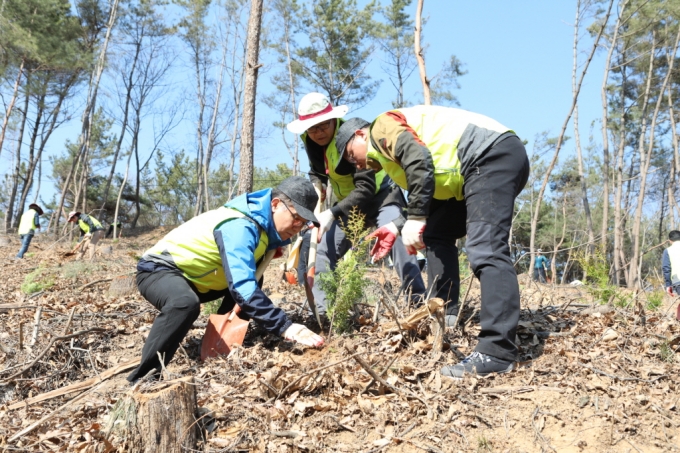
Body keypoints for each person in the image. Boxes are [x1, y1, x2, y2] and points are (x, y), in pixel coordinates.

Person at [335, 105, 530, 378]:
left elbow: (419, 159)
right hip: (472, 173)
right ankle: (444, 313)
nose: (353, 164)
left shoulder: (381, 127)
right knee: (437, 232)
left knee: (486, 248)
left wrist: (414, 218)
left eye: (349, 154)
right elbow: (428, 190)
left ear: (359, 135)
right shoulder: (389, 162)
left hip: (489, 155)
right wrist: (397, 225)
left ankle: (496, 352)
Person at [127, 177, 325, 383]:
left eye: (303, 223)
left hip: (200, 280)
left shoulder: (264, 227)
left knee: (256, 277)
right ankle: (144, 377)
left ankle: (224, 339)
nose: (297, 226)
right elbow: (242, 287)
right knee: (184, 304)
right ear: (275, 205)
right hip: (159, 270)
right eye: (295, 217)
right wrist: (285, 326)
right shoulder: (240, 225)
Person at [286, 92, 425, 318]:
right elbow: (317, 169)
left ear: (334, 120)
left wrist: (331, 212)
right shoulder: (310, 141)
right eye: (312, 128)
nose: (318, 133)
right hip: (349, 206)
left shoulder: (353, 136)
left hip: (380, 196)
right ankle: (325, 315)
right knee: (322, 249)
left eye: (323, 126)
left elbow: (366, 189)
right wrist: (317, 182)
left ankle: (418, 304)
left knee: (397, 236)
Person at [662, 230, 680, 297]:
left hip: (677, 280)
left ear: (670, 240)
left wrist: (668, 285)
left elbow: (666, 268)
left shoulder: (668, 251)